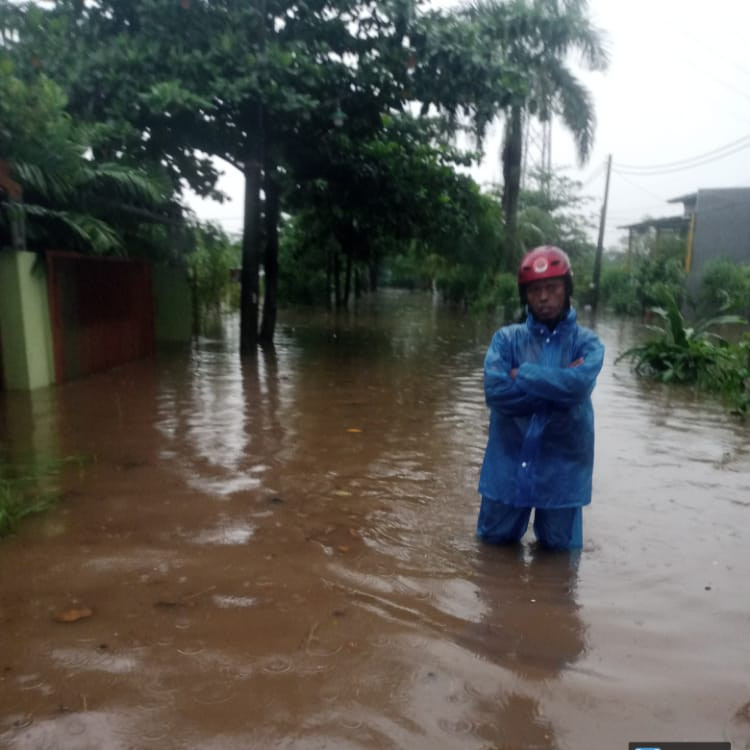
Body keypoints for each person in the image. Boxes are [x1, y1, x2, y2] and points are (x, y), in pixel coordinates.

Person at [476, 245, 604, 550]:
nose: (543, 298)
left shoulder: (588, 343)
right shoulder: (506, 339)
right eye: (535, 290)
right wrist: (557, 384)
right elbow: (495, 392)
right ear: (525, 295)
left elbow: (578, 386)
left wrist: (522, 374)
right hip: (507, 464)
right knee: (490, 555)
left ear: (567, 289)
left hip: (563, 470)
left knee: (559, 562)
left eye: (552, 288)